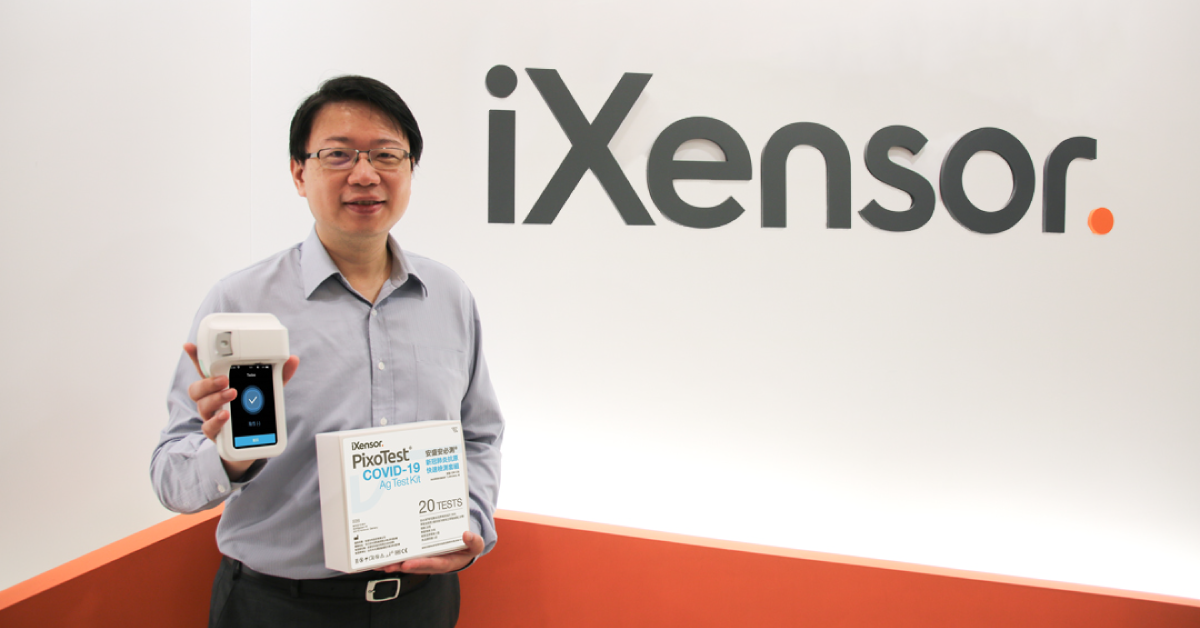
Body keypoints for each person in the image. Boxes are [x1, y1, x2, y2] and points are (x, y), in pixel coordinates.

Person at [151, 75, 504, 628]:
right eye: (338, 155)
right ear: (299, 173)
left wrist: (472, 526)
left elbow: (479, 435)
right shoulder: (241, 301)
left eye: (387, 154)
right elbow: (170, 476)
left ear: (411, 170)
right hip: (279, 608)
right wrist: (229, 456)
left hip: (422, 604)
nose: (365, 175)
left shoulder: (448, 296)